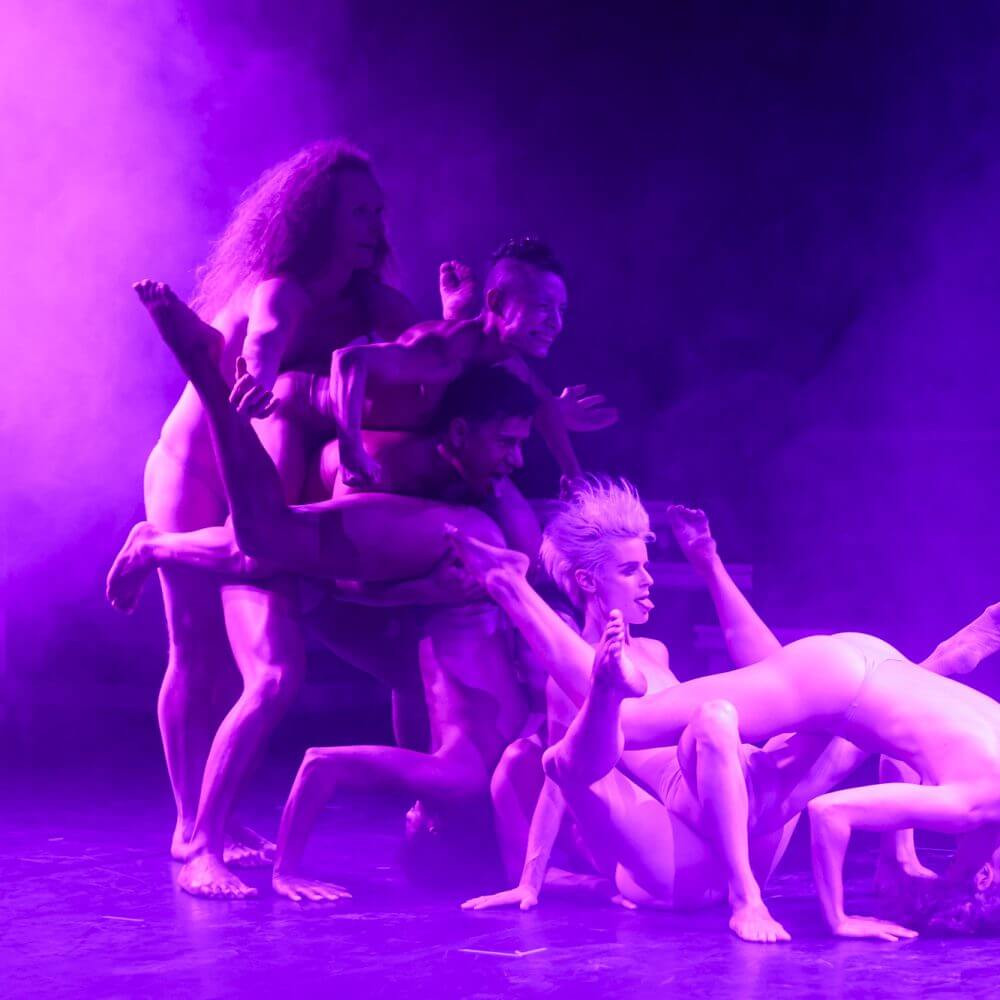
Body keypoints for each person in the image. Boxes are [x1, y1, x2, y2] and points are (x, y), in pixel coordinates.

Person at [132, 280, 562, 898]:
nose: (516, 460)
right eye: (508, 444)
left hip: (340, 552)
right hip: (292, 444)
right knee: (263, 579)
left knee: (365, 636)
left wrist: (411, 593)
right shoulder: (407, 466)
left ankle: (159, 543)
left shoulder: (475, 770)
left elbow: (369, 583)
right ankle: (200, 842)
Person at [445, 518, 1000, 940]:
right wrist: (531, 879)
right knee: (642, 727)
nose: (648, 580)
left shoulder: (655, 651)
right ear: (590, 582)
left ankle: (938, 663)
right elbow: (562, 782)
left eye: (645, 566)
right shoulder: (976, 803)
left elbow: (874, 747)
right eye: (631, 570)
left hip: (760, 781)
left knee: (799, 711)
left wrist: (899, 858)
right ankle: (513, 590)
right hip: (685, 831)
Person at [139, 139, 418, 881]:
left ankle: (218, 816)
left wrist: (523, 392)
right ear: (316, 218)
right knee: (195, 649)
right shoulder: (280, 290)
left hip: (261, 481)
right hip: (192, 472)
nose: (373, 227)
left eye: (378, 212)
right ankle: (189, 823)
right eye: (357, 213)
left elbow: (439, 351)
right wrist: (259, 378)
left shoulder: (372, 303)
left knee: (253, 660)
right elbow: (264, 341)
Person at [323, 237, 618, 486]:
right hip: (314, 410)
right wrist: (351, 452)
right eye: (542, 307)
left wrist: (574, 476)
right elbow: (348, 360)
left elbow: (543, 404)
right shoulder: (445, 352)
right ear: (496, 302)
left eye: (561, 311)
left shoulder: (506, 358)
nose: (556, 323)